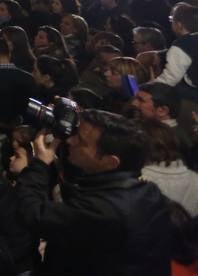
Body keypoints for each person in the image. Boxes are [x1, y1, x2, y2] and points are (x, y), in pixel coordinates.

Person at [11, 107, 176, 274]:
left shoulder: (103, 210)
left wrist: (39, 164)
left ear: (110, 162)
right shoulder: (147, 190)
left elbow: (32, 213)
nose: (70, 141)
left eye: (81, 141)